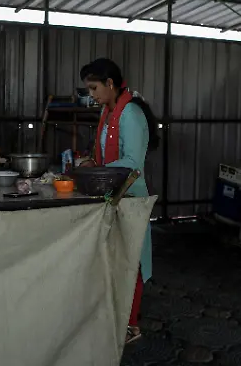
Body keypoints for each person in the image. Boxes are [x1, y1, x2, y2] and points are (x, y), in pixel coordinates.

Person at [79, 58, 159, 345]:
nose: (92, 94)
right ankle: (116, 318)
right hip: (113, 195)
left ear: (110, 84)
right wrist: (92, 162)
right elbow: (106, 155)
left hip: (130, 197)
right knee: (114, 261)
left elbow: (132, 161)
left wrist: (97, 170)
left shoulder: (131, 114)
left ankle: (131, 326)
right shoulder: (109, 112)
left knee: (131, 262)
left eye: (94, 87)